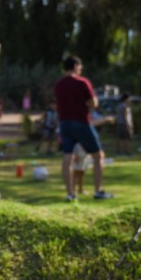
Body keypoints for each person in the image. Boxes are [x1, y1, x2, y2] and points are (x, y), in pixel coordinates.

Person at [53, 56, 113, 201]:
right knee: (98, 156)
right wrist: (92, 104)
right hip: (81, 122)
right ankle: (98, 191)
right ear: (75, 66)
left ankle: (70, 194)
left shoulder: (58, 85)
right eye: (80, 66)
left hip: (64, 123)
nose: (81, 69)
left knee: (67, 156)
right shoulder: (82, 82)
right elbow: (93, 103)